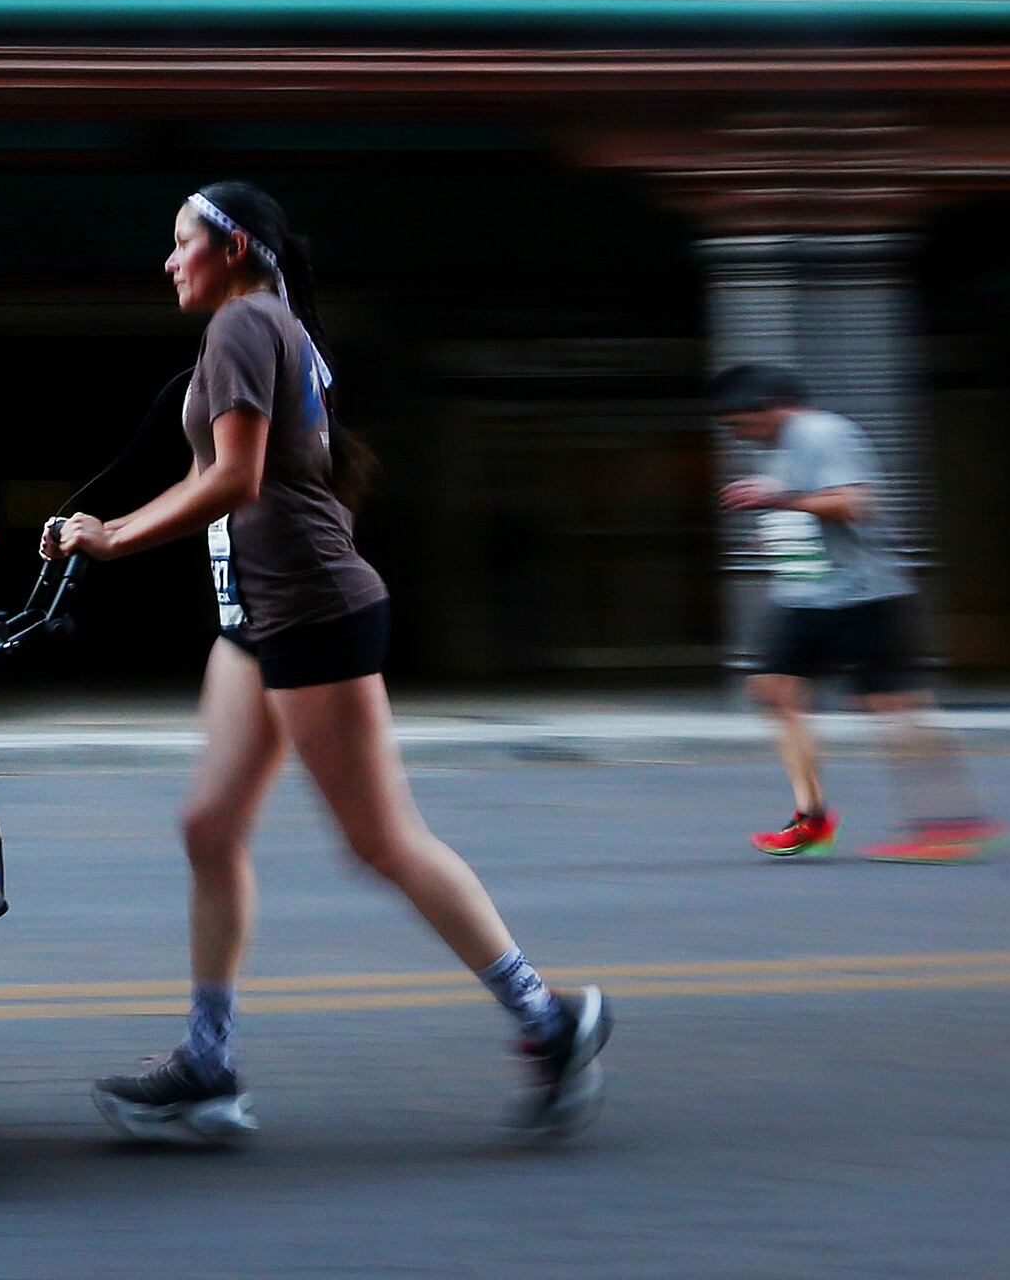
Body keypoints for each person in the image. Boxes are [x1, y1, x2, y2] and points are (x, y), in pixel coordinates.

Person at [44, 181, 609, 1144]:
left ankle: (549, 1022)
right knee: (209, 825)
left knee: (381, 841)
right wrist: (109, 523)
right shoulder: (267, 327)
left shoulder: (243, 328)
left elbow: (238, 477)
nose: (169, 261)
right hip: (256, 618)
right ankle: (207, 1065)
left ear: (233, 246)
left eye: (182, 243)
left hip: (310, 618)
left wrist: (116, 542)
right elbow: (228, 475)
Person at [712, 364, 1001, 863]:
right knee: (775, 689)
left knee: (894, 706)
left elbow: (854, 503)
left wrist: (777, 499)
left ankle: (951, 825)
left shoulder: (823, 431)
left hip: (863, 595)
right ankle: (812, 819)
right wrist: (779, 528)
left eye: (741, 424)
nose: (739, 436)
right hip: (806, 594)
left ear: (770, 407)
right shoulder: (782, 447)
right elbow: (810, 509)